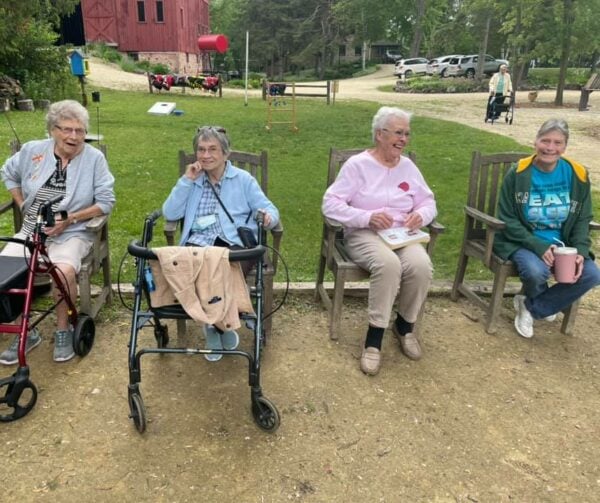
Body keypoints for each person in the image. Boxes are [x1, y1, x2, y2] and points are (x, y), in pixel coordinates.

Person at [322, 106, 437, 375]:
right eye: (398, 133)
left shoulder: (408, 166)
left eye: (407, 134)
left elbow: (428, 201)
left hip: (402, 235)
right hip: (365, 234)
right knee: (388, 265)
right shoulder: (358, 166)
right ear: (379, 134)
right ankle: (374, 339)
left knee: (421, 265)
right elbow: (330, 205)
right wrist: (366, 217)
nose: (404, 139)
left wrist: (420, 215)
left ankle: (405, 326)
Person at [0, 99, 116, 364]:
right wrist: (22, 205)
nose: (73, 136)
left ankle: (63, 329)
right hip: (33, 230)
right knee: (7, 267)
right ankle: (25, 330)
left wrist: (70, 218)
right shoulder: (32, 151)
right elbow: (8, 174)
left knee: (62, 271)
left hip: (73, 231)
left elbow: (106, 202)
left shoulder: (94, 159)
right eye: (66, 129)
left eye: (79, 131)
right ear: (52, 129)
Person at [162, 126, 279, 361]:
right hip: (197, 243)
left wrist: (267, 217)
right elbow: (170, 213)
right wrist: (186, 180)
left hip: (234, 244)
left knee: (221, 268)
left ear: (226, 154)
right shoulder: (192, 180)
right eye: (201, 150)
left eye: (212, 149)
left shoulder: (243, 180)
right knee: (198, 266)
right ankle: (223, 325)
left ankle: (213, 327)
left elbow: (271, 210)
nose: (205, 155)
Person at [494, 118, 600, 339]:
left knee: (591, 274)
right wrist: (539, 245)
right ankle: (545, 303)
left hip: (563, 244)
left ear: (565, 146)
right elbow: (507, 218)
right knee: (535, 271)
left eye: (557, 142)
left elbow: (583, 218)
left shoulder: (578, 175)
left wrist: (580, 251)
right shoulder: (518, 173)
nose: (550, 148)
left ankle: (532, 307)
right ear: (535, 142)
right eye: (545, 141)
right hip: (524, 241)